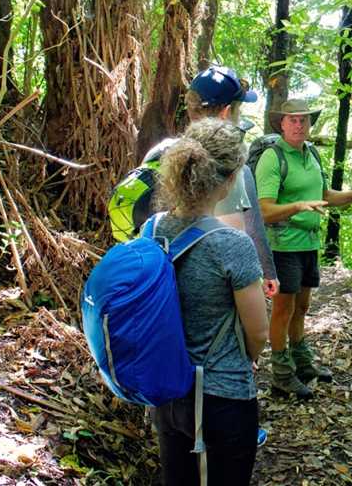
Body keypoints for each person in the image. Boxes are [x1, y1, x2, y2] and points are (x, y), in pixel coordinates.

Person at [151, 118, 268, 486]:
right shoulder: (233, 245)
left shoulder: (152, 228)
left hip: (167, 391)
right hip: (222, 397)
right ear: (231, 178)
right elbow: (259, 332)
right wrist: (244, 358)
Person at [254, 99, 352, 399]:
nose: (299, 124)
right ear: (281, 124)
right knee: (283, 310)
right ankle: (281, 375)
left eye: (303, 119)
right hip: (283, 245)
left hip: (309, 243)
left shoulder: (311, 154)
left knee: (302, 307)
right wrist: (298, 206)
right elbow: (264, 210)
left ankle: (303, 364)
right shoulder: (273, 158)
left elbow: (324, 195)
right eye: (293, 120)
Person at [185, 66, 279, 298]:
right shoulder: (231, 170)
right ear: (226, 112)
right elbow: (238, 242)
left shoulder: (164, 153)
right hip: (211, 298)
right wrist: (267, 273)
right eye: (239, 109)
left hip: (165, 296)